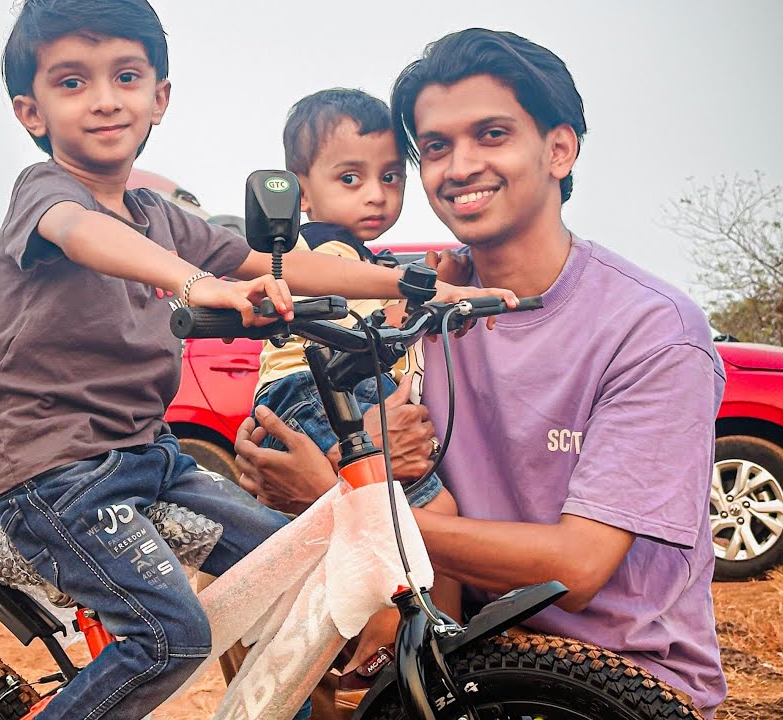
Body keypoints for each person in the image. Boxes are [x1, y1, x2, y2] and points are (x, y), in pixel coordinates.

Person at [0, 3, 517, 717]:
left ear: (158, 97)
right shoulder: (46, 194)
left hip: (150, 455)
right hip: (56, 472)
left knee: (298, 572)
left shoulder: (161, 216)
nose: (105, 99)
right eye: (72, 82)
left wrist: (418, 283)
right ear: (31, 112)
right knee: (170, 638)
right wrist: (198, 283)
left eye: (126, 76)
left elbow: (281, 262)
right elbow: (82, 234)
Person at [235, 28, 727, 718]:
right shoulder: (414, 308)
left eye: (491, 135)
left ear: (559, 148)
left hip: (610, 683)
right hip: (450, 662)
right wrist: (274, 463)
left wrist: (352, 514)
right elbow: (300, 407)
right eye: (435, 146)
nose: (459, 166)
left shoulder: (651, 329)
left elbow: (578, 568)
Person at [241, 87, 461, 715]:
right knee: (426, 511)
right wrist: (413, 301)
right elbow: (351, 320)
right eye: (351, 177)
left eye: (390, 177)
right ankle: (388, 644)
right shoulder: (322, 252)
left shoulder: (359, 255)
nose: (376, 194)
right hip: (313, 391)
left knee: (388, 518)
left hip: (326, 386)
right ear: (301, 193)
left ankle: (383, 643)